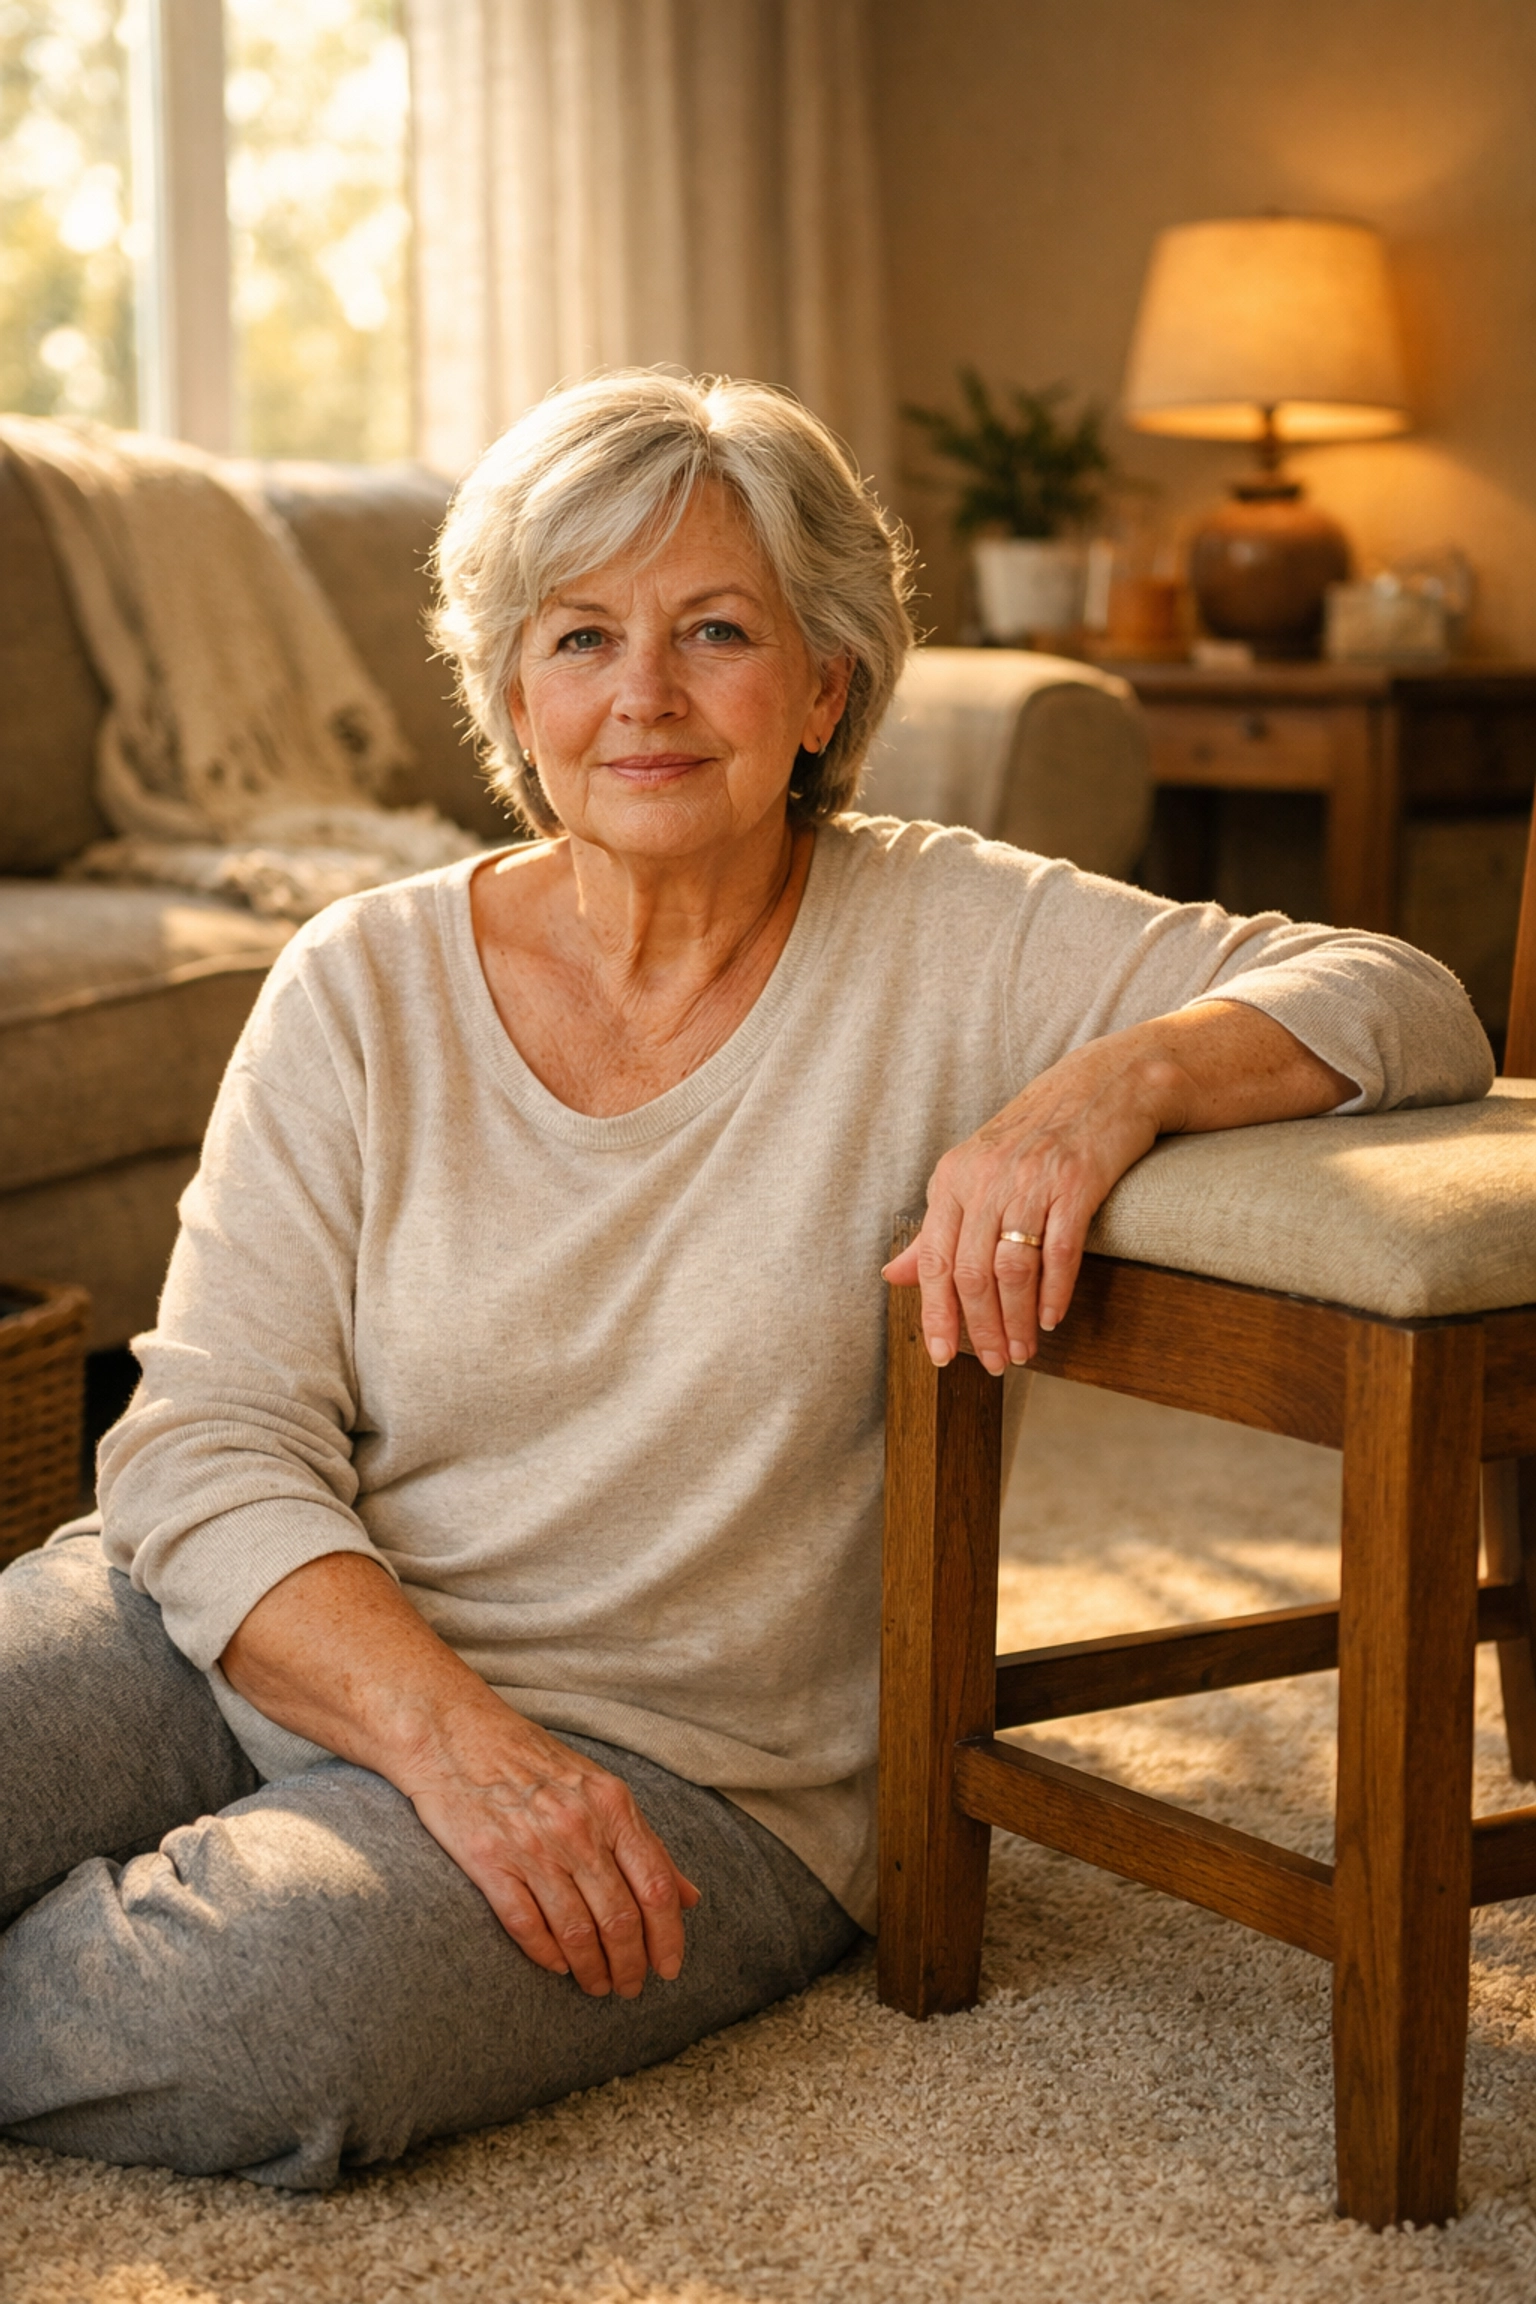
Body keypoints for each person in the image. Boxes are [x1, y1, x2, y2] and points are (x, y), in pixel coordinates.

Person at [0, 372, 1492, 2190]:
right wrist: (450, 1748)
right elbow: (202, 1438)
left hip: (690, 1771)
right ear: (512, 690)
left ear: (825, 685)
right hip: (269, 1619)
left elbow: (1407, 995)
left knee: (256, 2019)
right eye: (581, 636)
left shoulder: (955, 934)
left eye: (716, 631)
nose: (643, 695)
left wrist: (1109, 1087)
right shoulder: (359, 979)